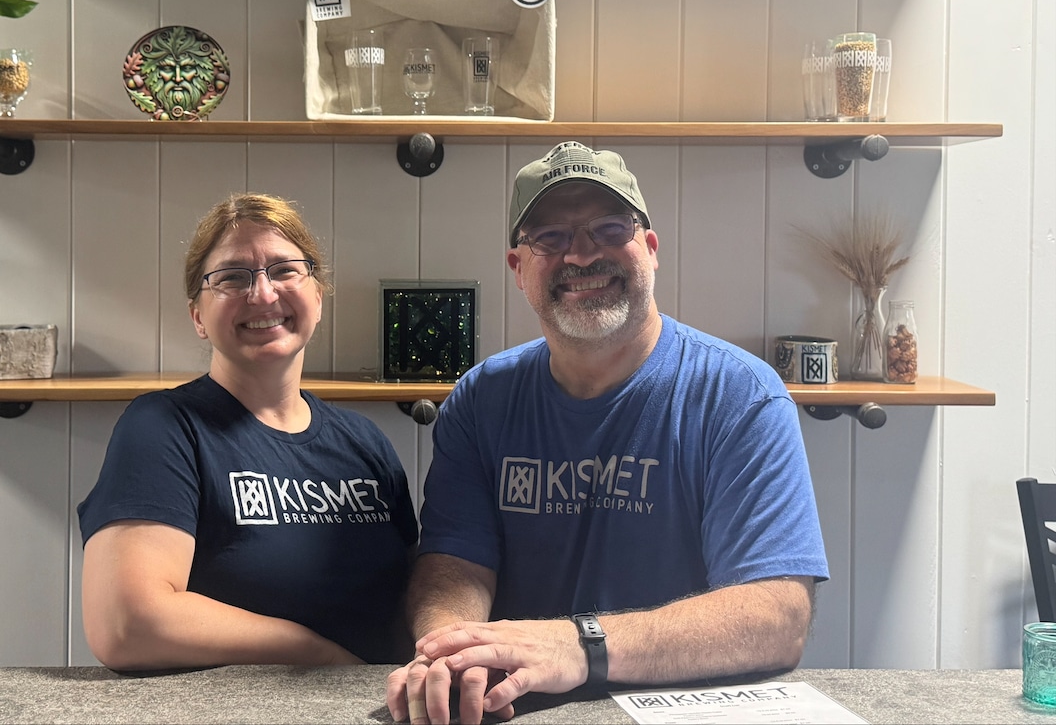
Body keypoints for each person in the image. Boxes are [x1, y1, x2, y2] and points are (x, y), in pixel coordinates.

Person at [386, 141, 830, 725]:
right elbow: (456, 563)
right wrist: (453, 651)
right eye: (550, 238)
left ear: (650, 248)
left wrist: (579, 646)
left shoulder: (740, 395)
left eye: (609, 228)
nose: (581, 254)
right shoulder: (481, 398)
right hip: (513, 708)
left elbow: (776, 615)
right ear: (518, 268)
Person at [79, 192, 418, 672]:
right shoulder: (164, 429)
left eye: (285, 270)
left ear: (317, 298)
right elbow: (126, 623)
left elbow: (410, 598)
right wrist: (314, 652)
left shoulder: (365, 442)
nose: (262, 294)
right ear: (198, 316)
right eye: (232, 277)